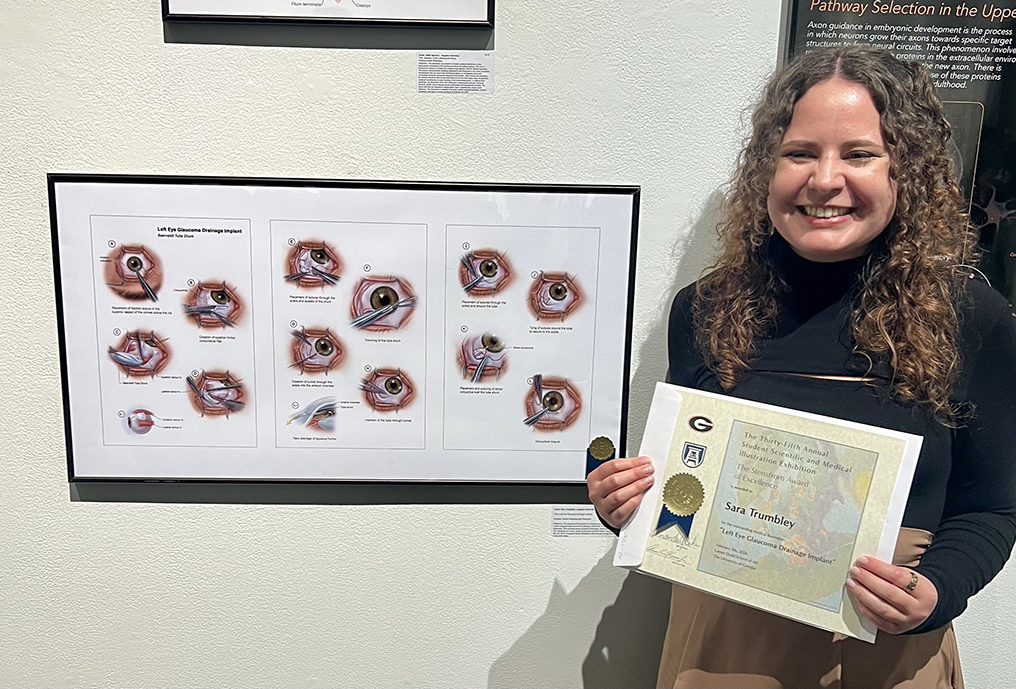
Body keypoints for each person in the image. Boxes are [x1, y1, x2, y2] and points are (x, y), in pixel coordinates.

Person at [588, 45, 1016, 688]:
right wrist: (628, 502)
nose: (824, 179)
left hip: (887, 652)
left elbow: (992, 508)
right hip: (724, 647)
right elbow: (688, 493)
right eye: (800, 153)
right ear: (768, 168)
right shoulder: (705, 309)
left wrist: (935, 594)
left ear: (908, 171)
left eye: (860, 154)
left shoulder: (969, 313)